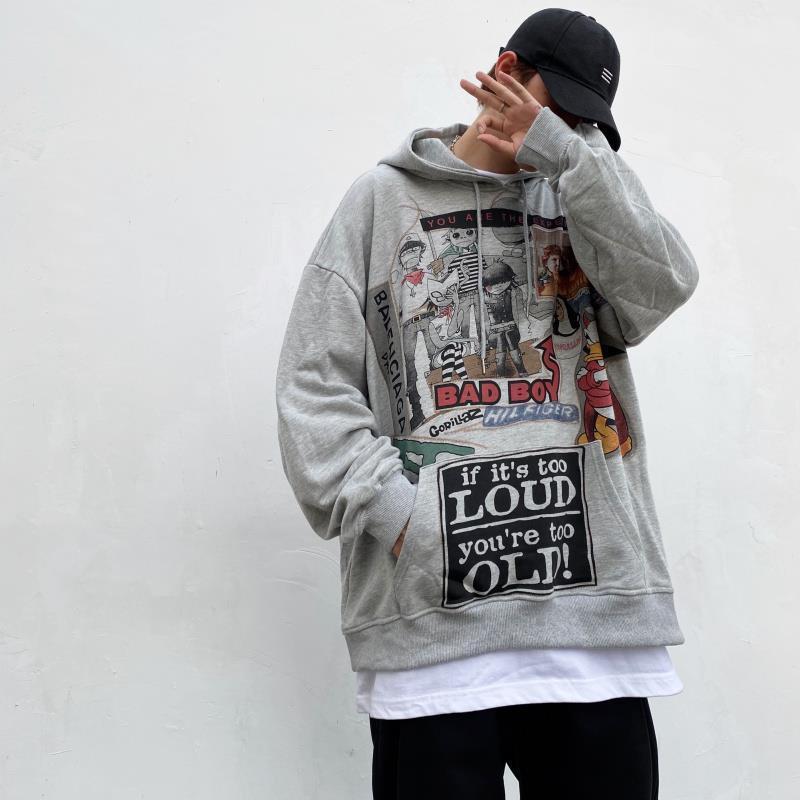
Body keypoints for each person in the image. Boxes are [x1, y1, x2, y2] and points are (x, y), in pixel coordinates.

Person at [276, 8, 699, 798]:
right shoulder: (380, 201)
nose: (562, 128)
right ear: (505, 69)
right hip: (433, 637)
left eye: (582, 120)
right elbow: (314, 382)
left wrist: (567, 154)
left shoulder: (583, 190)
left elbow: (662, 286)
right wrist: (402, 513)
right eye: (554, 103)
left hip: (591, 630)